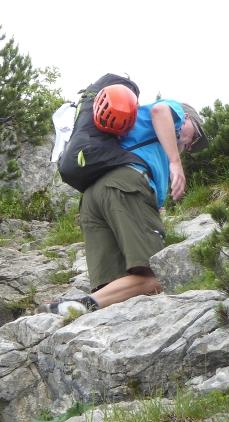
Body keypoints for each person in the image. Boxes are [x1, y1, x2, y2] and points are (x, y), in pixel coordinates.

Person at [41, 93, 207, 317]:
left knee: (115, 287)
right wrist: (175, 163)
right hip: (124, 187)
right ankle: (81, 305)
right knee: (157, 276)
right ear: (186, 117)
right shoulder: (171, 111)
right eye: (193, 136)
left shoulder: (140, 136)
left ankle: (68, 310)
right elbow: (160, 112)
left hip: (93, 197)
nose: (188, 144)